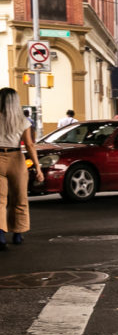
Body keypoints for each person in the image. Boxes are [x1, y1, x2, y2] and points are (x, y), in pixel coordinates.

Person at [0, 88, 43, 249]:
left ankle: (1, 235)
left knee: (0, 200)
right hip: (16, 158)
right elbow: (30, 145)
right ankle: (18, 234)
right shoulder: (23, 121)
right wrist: (37, 167)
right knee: (20, 197)